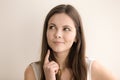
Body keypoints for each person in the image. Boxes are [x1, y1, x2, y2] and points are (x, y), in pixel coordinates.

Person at [24, 4, 117, 80]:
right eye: (52, 27)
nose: (58, 34)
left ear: (77, 36)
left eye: (66, 29)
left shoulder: (92, 68)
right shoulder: (32, 71)